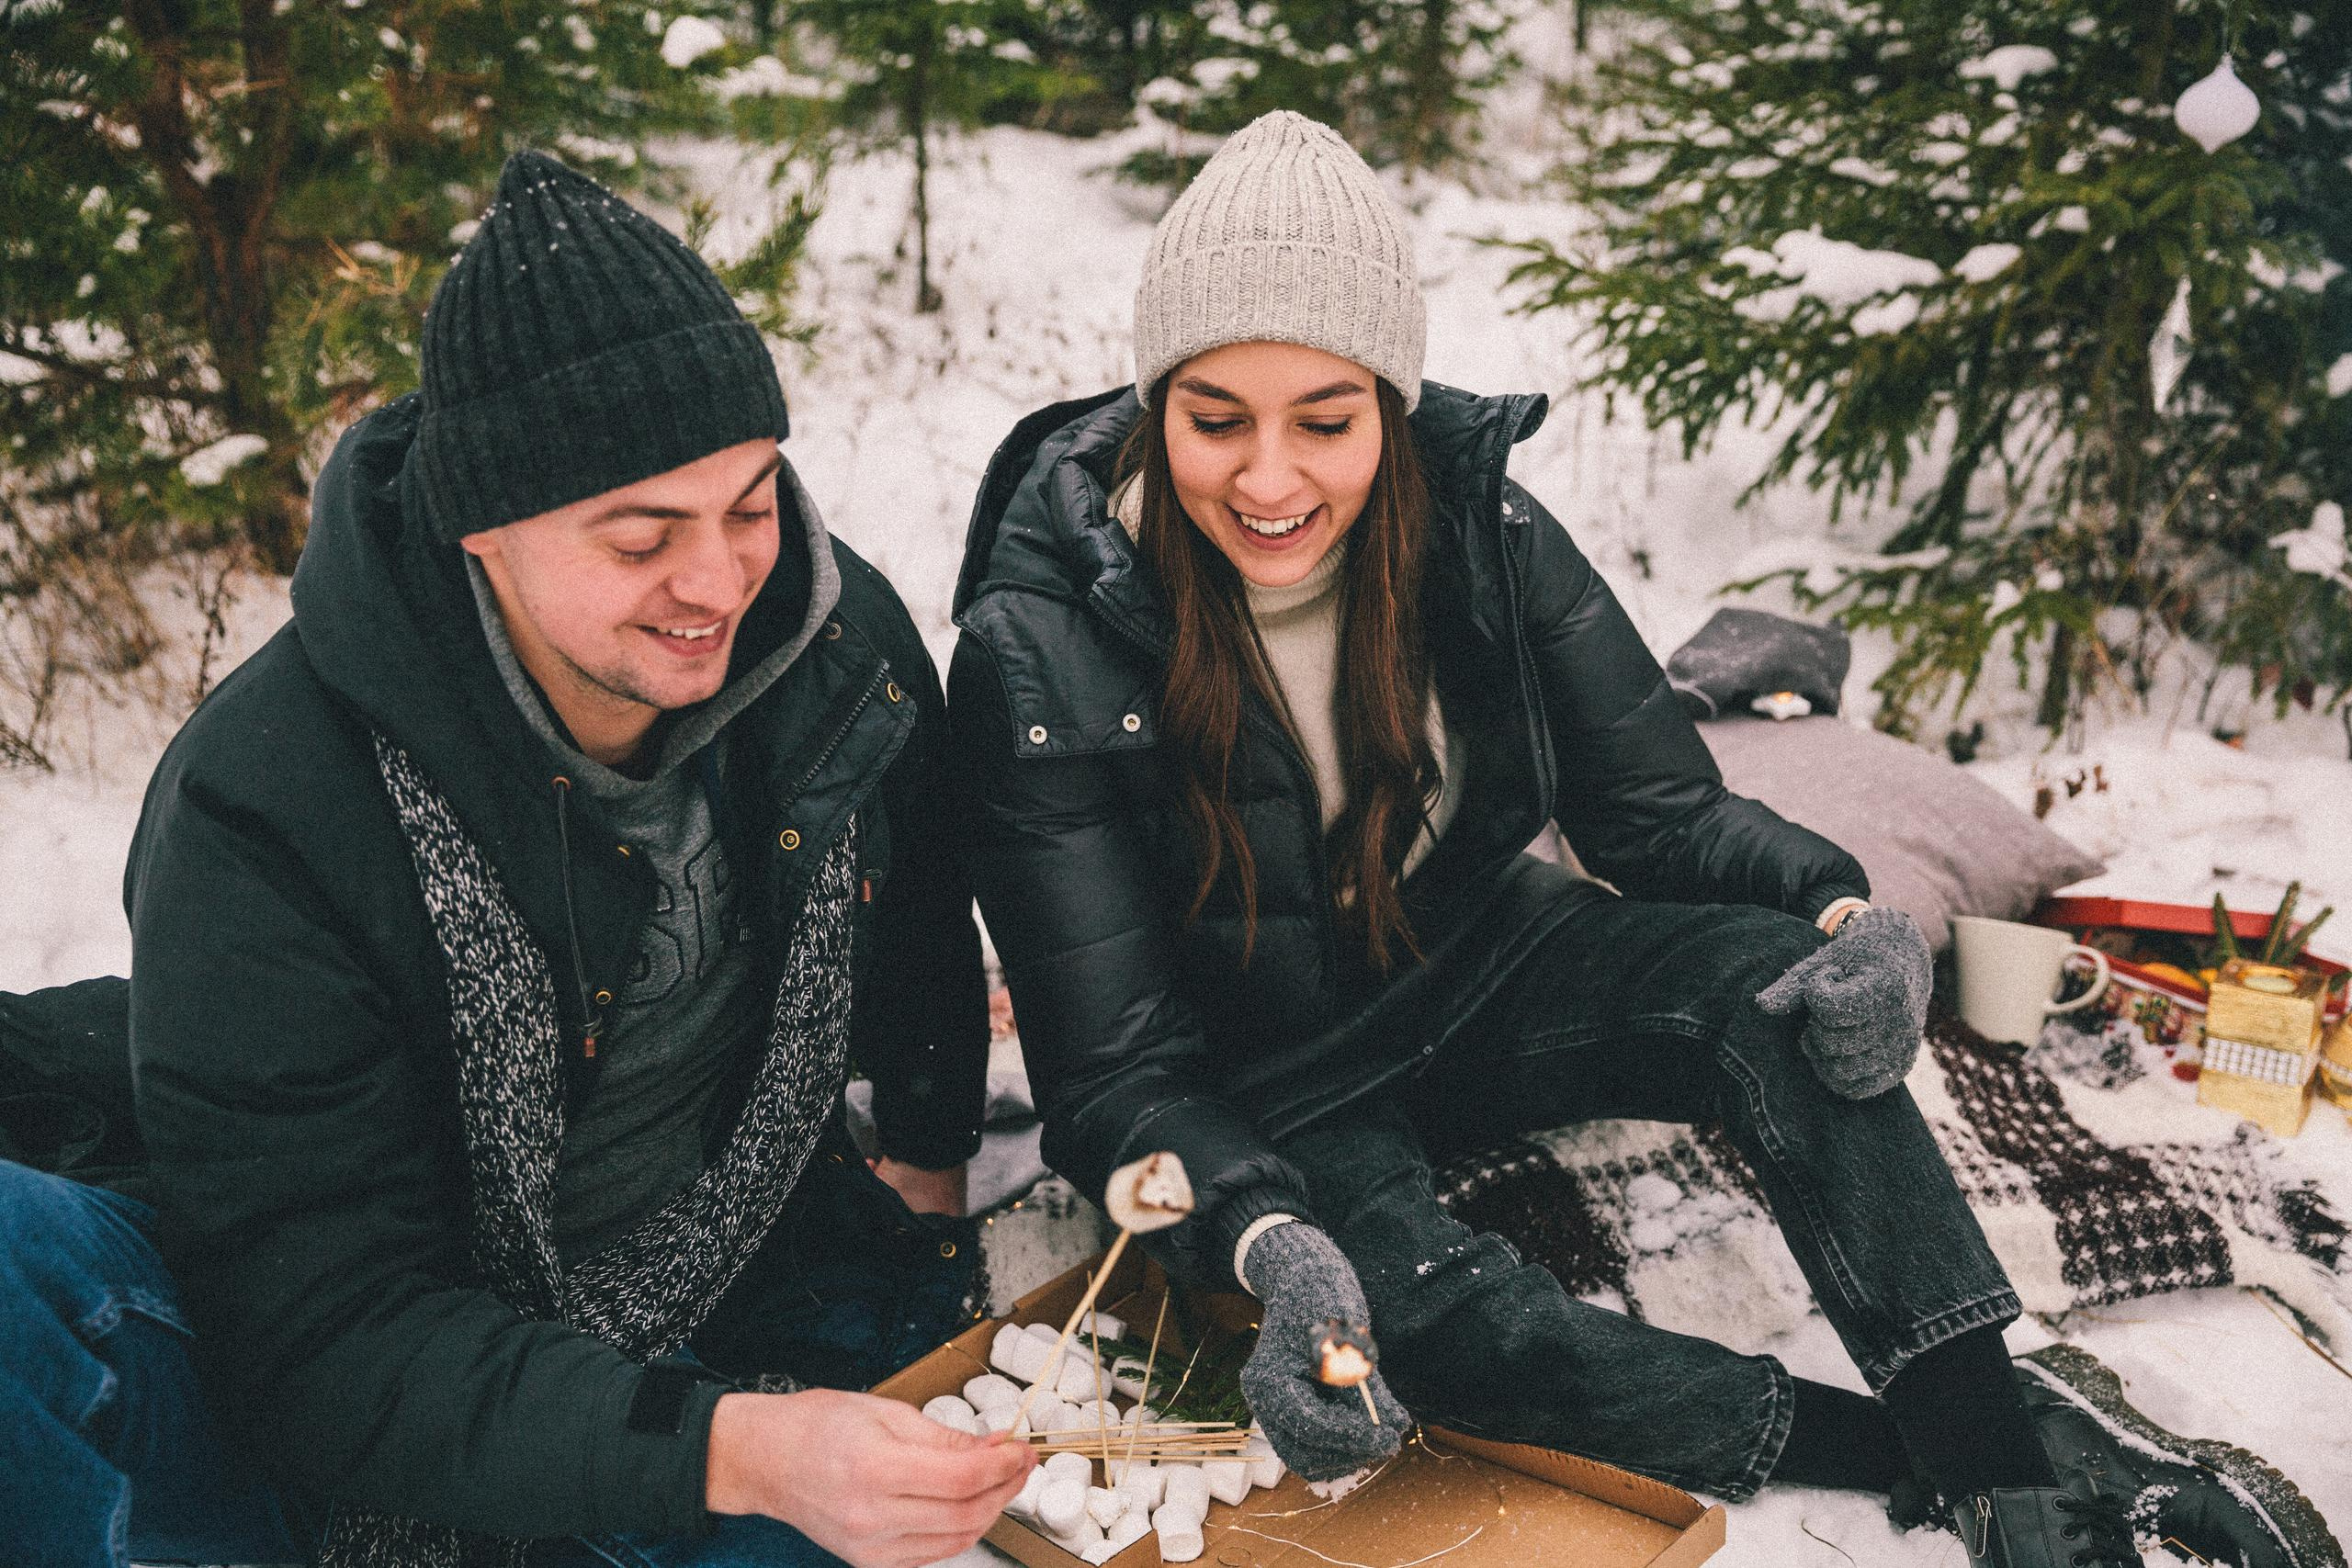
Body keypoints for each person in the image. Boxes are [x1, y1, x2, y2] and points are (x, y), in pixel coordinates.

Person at [946, 111, 2301, 1568]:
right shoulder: (1039, 653)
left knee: (1792, 999)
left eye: (1324, 421)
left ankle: (2001, 1468)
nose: (1270, 479)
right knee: (1420, 1325)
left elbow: (1659, 813)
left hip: (1485, 957)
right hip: (1270, 1083)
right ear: (1159, 408)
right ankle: (1906, 1449)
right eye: (1217, 419)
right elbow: (1112, 1079)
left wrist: (1842, 917)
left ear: (1391, 411)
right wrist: (1264, 1240)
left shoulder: (1481, 531)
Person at [0, 151, 1032, 1568]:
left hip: (729, 1286)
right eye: (641, 538)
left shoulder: (832, 649)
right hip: (370, 1324)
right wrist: (727, 1450)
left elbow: (911, 908)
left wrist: (926, 1168)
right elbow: (319, 1335)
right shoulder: (271, 801)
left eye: (747, 502)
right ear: (482, 529)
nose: (724, 578)